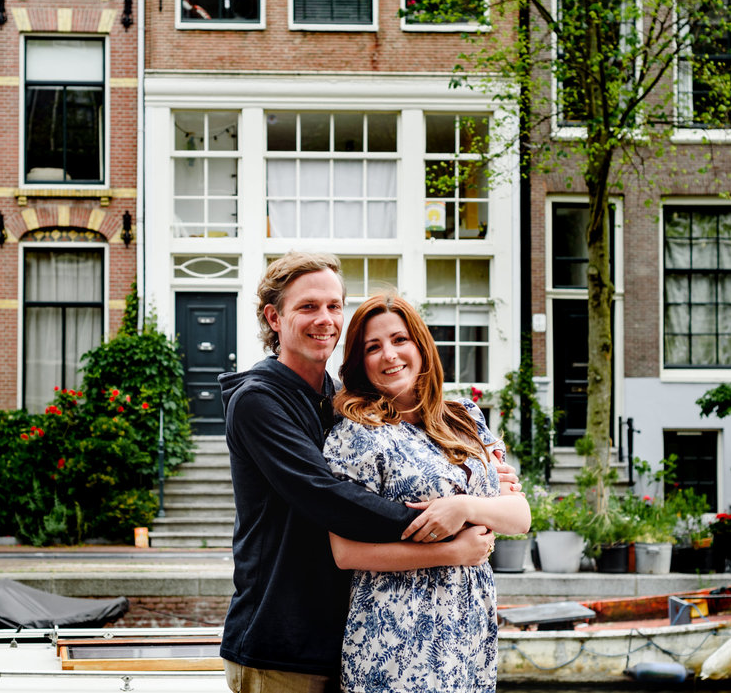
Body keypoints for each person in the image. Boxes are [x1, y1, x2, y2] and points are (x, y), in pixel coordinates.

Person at [219, 253, 512, 693]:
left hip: (341, 639)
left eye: (335, 306)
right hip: (279, 645)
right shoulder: (258, 401)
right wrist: (451, 525)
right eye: (308, 306)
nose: (326, 319)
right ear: (273, 318)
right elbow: (327, 496)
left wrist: (479, 487)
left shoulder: (338, 400)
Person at [324, 291, 531, 692]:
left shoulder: (463, 417)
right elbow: (345, 552)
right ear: (358, 362)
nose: (389, 355)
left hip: (469, 624)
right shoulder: (356, 433)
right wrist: (453, 551)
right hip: (396, 633)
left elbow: (520, 518)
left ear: (420, 345)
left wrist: (462, 506)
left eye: (399, 340)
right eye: (373, 347)